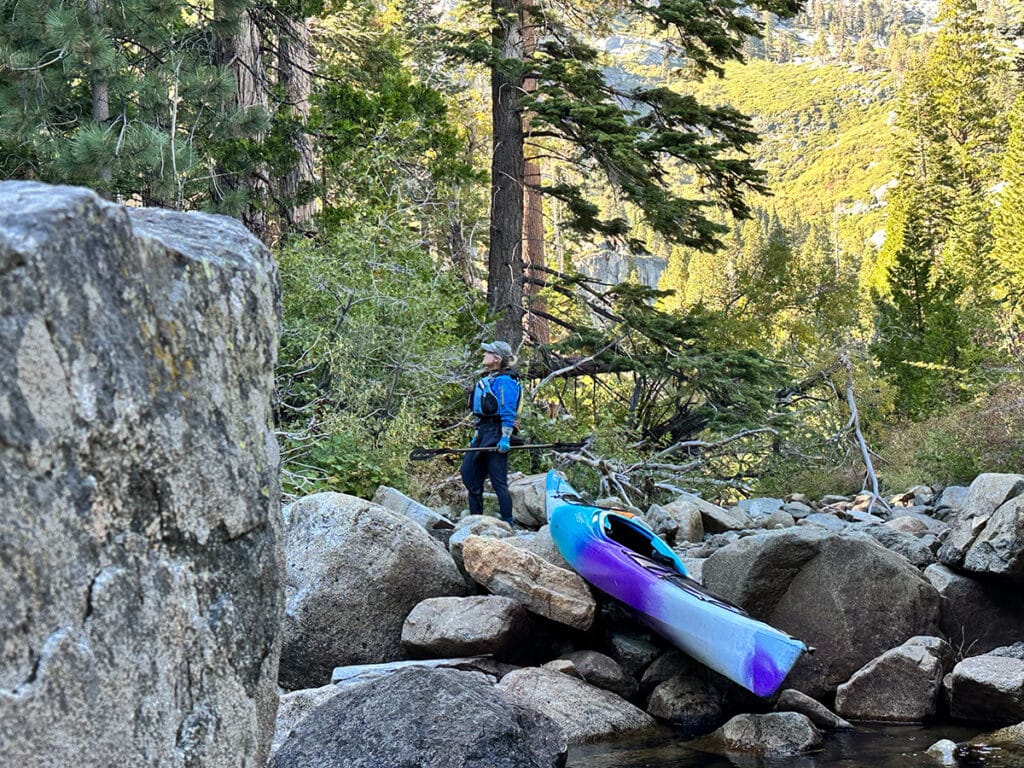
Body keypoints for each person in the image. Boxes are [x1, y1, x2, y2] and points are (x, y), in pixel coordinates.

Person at [461, 340, 522, 526]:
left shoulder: (505, 381)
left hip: (496, 434)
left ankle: (508, 523)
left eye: (487, 352)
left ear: (496, 359)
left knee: (498, 482)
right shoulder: (492, 378)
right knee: (469, 473)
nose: (483, 355)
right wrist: (476, 434)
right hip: (483, 433)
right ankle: (475, 521)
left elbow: (508, 411)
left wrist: (505, 437)